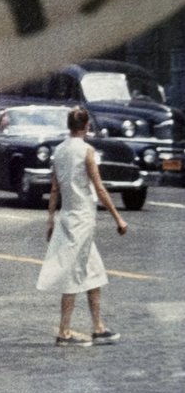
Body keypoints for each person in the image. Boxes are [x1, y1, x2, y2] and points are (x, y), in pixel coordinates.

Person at [36, 107, 128, 346]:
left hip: (67, 216)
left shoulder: (59, 150)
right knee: (74, 274)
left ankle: (98, 327)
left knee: (93, 272)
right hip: (82, 220)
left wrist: (50, 219)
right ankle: (64, 332)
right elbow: (99, 187)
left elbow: (54, 188)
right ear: (86, 126)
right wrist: (118, 218)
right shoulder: (87, 151)